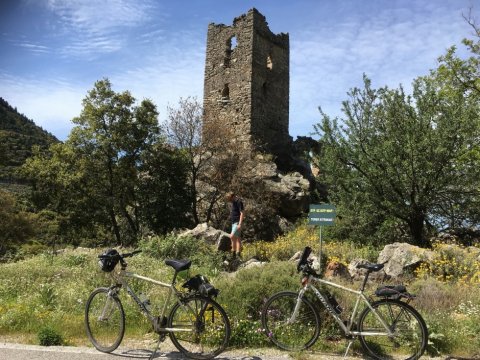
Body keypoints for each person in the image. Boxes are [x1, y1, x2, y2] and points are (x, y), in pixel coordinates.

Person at [226, 191, 244, 259]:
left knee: (232, 236)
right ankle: (235, 255)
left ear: (233, 196)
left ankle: (235, 254)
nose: (229, 200)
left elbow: (242, 213)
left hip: (237, 222)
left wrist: (240, 224)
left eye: (230, 199)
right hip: (234, 222)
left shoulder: (239, 202)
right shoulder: (234, 202)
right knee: (237, 239)